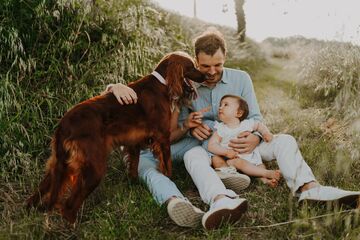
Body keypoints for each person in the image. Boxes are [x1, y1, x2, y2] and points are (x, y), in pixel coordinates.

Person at [107, 28, 360, 230]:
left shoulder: (242, 78)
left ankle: (309, 189)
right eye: (205, 66)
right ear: (195, 61)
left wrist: (255, 136)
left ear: (225, 57)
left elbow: (257, 116)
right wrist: (113, 86)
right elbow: (152, 95)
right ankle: (220, 200)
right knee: (193, 156)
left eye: (217, 64)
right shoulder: (184, 82)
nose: (212, 72)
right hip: (208, 148)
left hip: (244, 142)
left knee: (285, 141)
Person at [103, 53, 251, 230]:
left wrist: (187, 125)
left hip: (169, 149)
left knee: (196, 152)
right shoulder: (146, 89)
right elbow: (108, 105)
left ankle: (220, 198)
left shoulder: (176, 97)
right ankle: (176, 201)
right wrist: (114, 87)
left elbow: (169, 137)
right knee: (150, 172)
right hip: (140, 154)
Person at [208, 94, 281, 187]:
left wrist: (266, 133)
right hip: (233, 160)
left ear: (238, 113)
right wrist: (225, 152)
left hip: (251, 156)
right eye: (220, 105)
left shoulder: (246, 124)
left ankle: (265, 181)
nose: (220, 108)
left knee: (259, 165)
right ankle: (266, 173)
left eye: (225, 105)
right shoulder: (221, 128)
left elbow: (259, 125)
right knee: (237, 162)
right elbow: (212, 145)